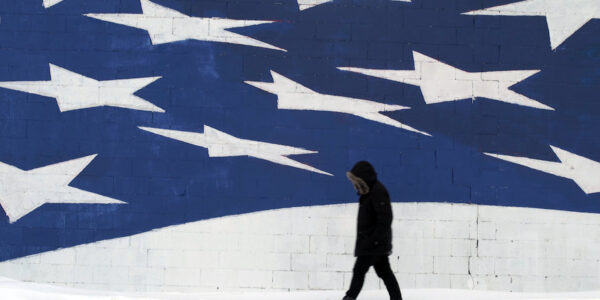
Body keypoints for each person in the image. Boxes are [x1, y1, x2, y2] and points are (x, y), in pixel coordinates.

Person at [343, 161, 402, 300]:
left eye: (357, 181)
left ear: (364, 179)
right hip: (374, 243)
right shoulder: (369, 192)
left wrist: (373, 240)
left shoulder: (377, 192)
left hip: (373, 244)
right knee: (385, 273)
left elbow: (385, 219)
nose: (355, 185)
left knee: (359, 271)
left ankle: (349, 298)